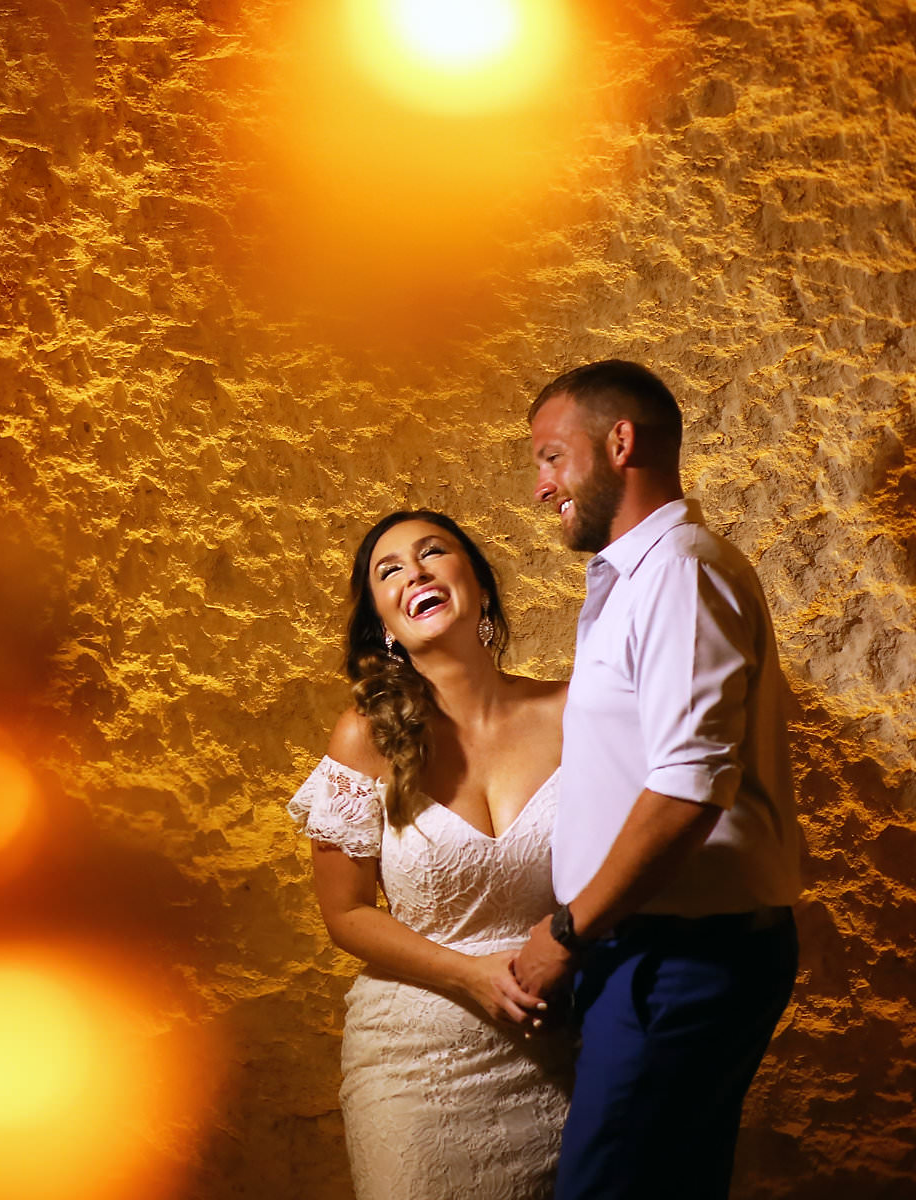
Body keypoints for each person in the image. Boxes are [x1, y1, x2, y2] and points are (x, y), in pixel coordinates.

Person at [514, 360, 804, 1199]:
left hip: (681, 958)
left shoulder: (679, 570)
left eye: (550, 457)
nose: (541, 487)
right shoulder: (632, 580)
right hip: (645, 949)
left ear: (620, 442)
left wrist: (566, 934)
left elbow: (687, 787)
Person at [287, 509, 571, 1200]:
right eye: (389, 570)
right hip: (416, 1067)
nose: (413, 571)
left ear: (476, 583)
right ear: (386, 619)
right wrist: (468, 974)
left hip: (567, 1046)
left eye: (433, 552)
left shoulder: (576, 711)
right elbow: (346, 913)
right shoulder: (364, 738)